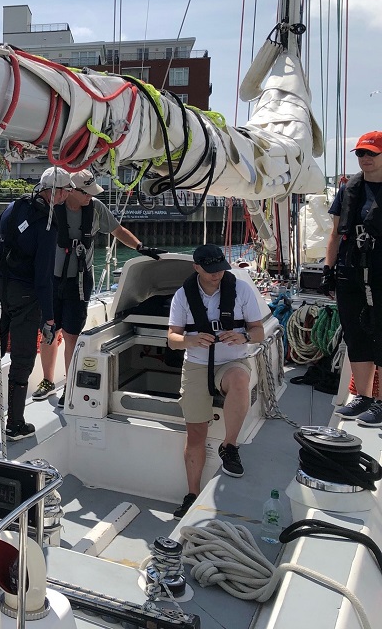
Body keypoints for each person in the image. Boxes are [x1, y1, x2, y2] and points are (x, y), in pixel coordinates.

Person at [38, 168, 166, 399]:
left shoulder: (96, 208)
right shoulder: (52, 208)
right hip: (51, 280)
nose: (89, 196)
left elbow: (118, 230)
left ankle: (70, 383)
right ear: (70, 191)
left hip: (79, 281)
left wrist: (141, 247)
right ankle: (47, 381)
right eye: (85, 192)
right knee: (49, 331)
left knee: (72, 334)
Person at [166, 244, 265, 518]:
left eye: (221, 269)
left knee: (240, 380)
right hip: (197, 364)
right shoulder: (182, 296)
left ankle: (229, 446)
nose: (217, 275)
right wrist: (190, 340)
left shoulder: (241, 290)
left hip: (231, 361)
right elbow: (172, 338)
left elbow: (258, 331)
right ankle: (192, 494)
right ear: (196, 267)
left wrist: (243, 337)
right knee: (195, 433)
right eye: (210, 271)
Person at [0, 166, 71, 439]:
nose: (65, 197)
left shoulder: (12, 208)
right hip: (26, 298)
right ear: (55, 191)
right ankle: (15, 424)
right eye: (64, 191)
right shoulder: (47, 224)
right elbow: (43, 278)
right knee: (22, 360)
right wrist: (49, 318)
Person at [324, 131, 382, 426]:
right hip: (350, 269)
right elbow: (335, 234)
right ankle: (364, 397)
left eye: (371, 153)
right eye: (361, 153)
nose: (365, 159)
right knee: (355, 333)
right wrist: (328, 270)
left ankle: (381, 402)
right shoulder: (349, 190)